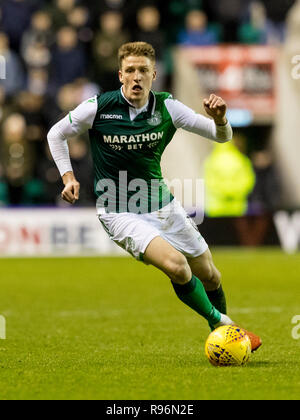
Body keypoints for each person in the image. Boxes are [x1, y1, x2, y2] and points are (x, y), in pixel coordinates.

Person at [47, 41, 261, 352]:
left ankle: (221, 324)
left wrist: (220, 119)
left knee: (210, 275)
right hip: (118, 211)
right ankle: (224, 327)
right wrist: (68, 176)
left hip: (161, 205)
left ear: (154, 75)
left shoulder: (167, 108)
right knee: (176, 266)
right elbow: (56, 134)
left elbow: (221, 137)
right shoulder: (99, 107)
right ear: (120, 75)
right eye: (130, 71)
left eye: (143, 71)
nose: (136, 77)